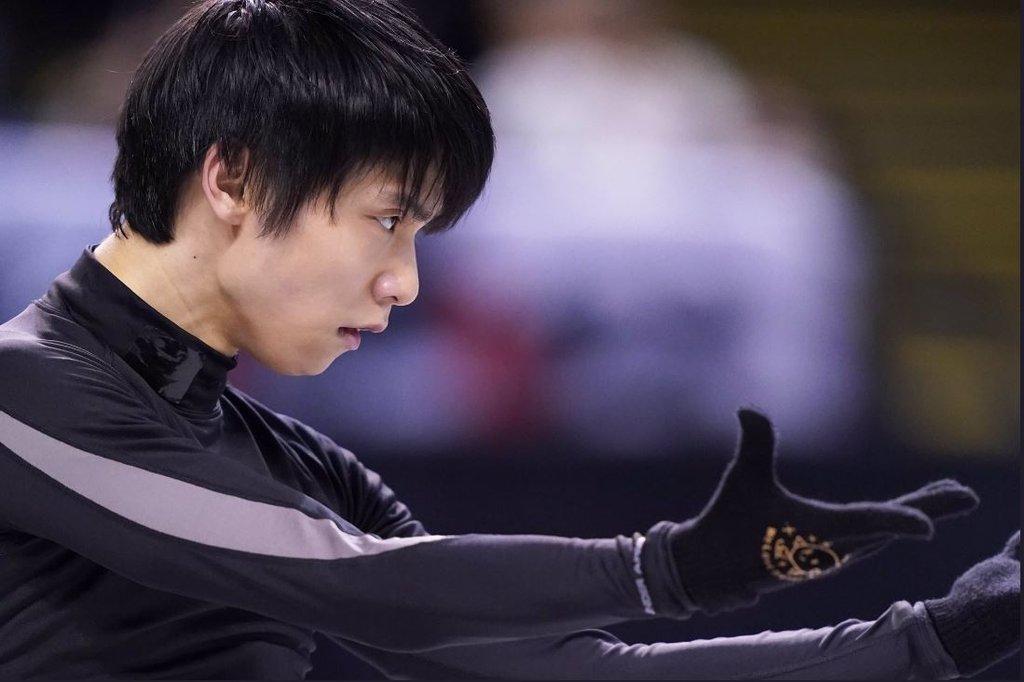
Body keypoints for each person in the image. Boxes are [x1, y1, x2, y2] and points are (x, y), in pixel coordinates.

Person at [0, 1, 1017, 679]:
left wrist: (940, 636)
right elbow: (351, 580)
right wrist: (664, 568)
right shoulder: (19, 393)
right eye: (386, 220)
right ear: (233, 178)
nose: (403, 282)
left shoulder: (295, 466)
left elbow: (573, 673)